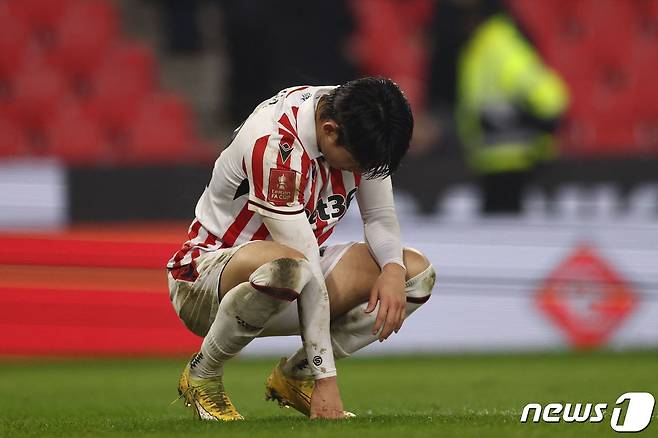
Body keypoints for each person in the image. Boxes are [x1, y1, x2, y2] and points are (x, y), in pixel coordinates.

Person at [167, 77, 437, 421]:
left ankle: (296, 376)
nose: (359, 172)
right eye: (355, 163)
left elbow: (380, 217)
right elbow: (305, 264)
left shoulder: (357, 120)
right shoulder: (276, 145)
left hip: (291, 279)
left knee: (415, 274)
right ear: (329, 131)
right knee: (291, 266)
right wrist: (328, 380)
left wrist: (393, 270)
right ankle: (203, 373)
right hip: (206, 281)